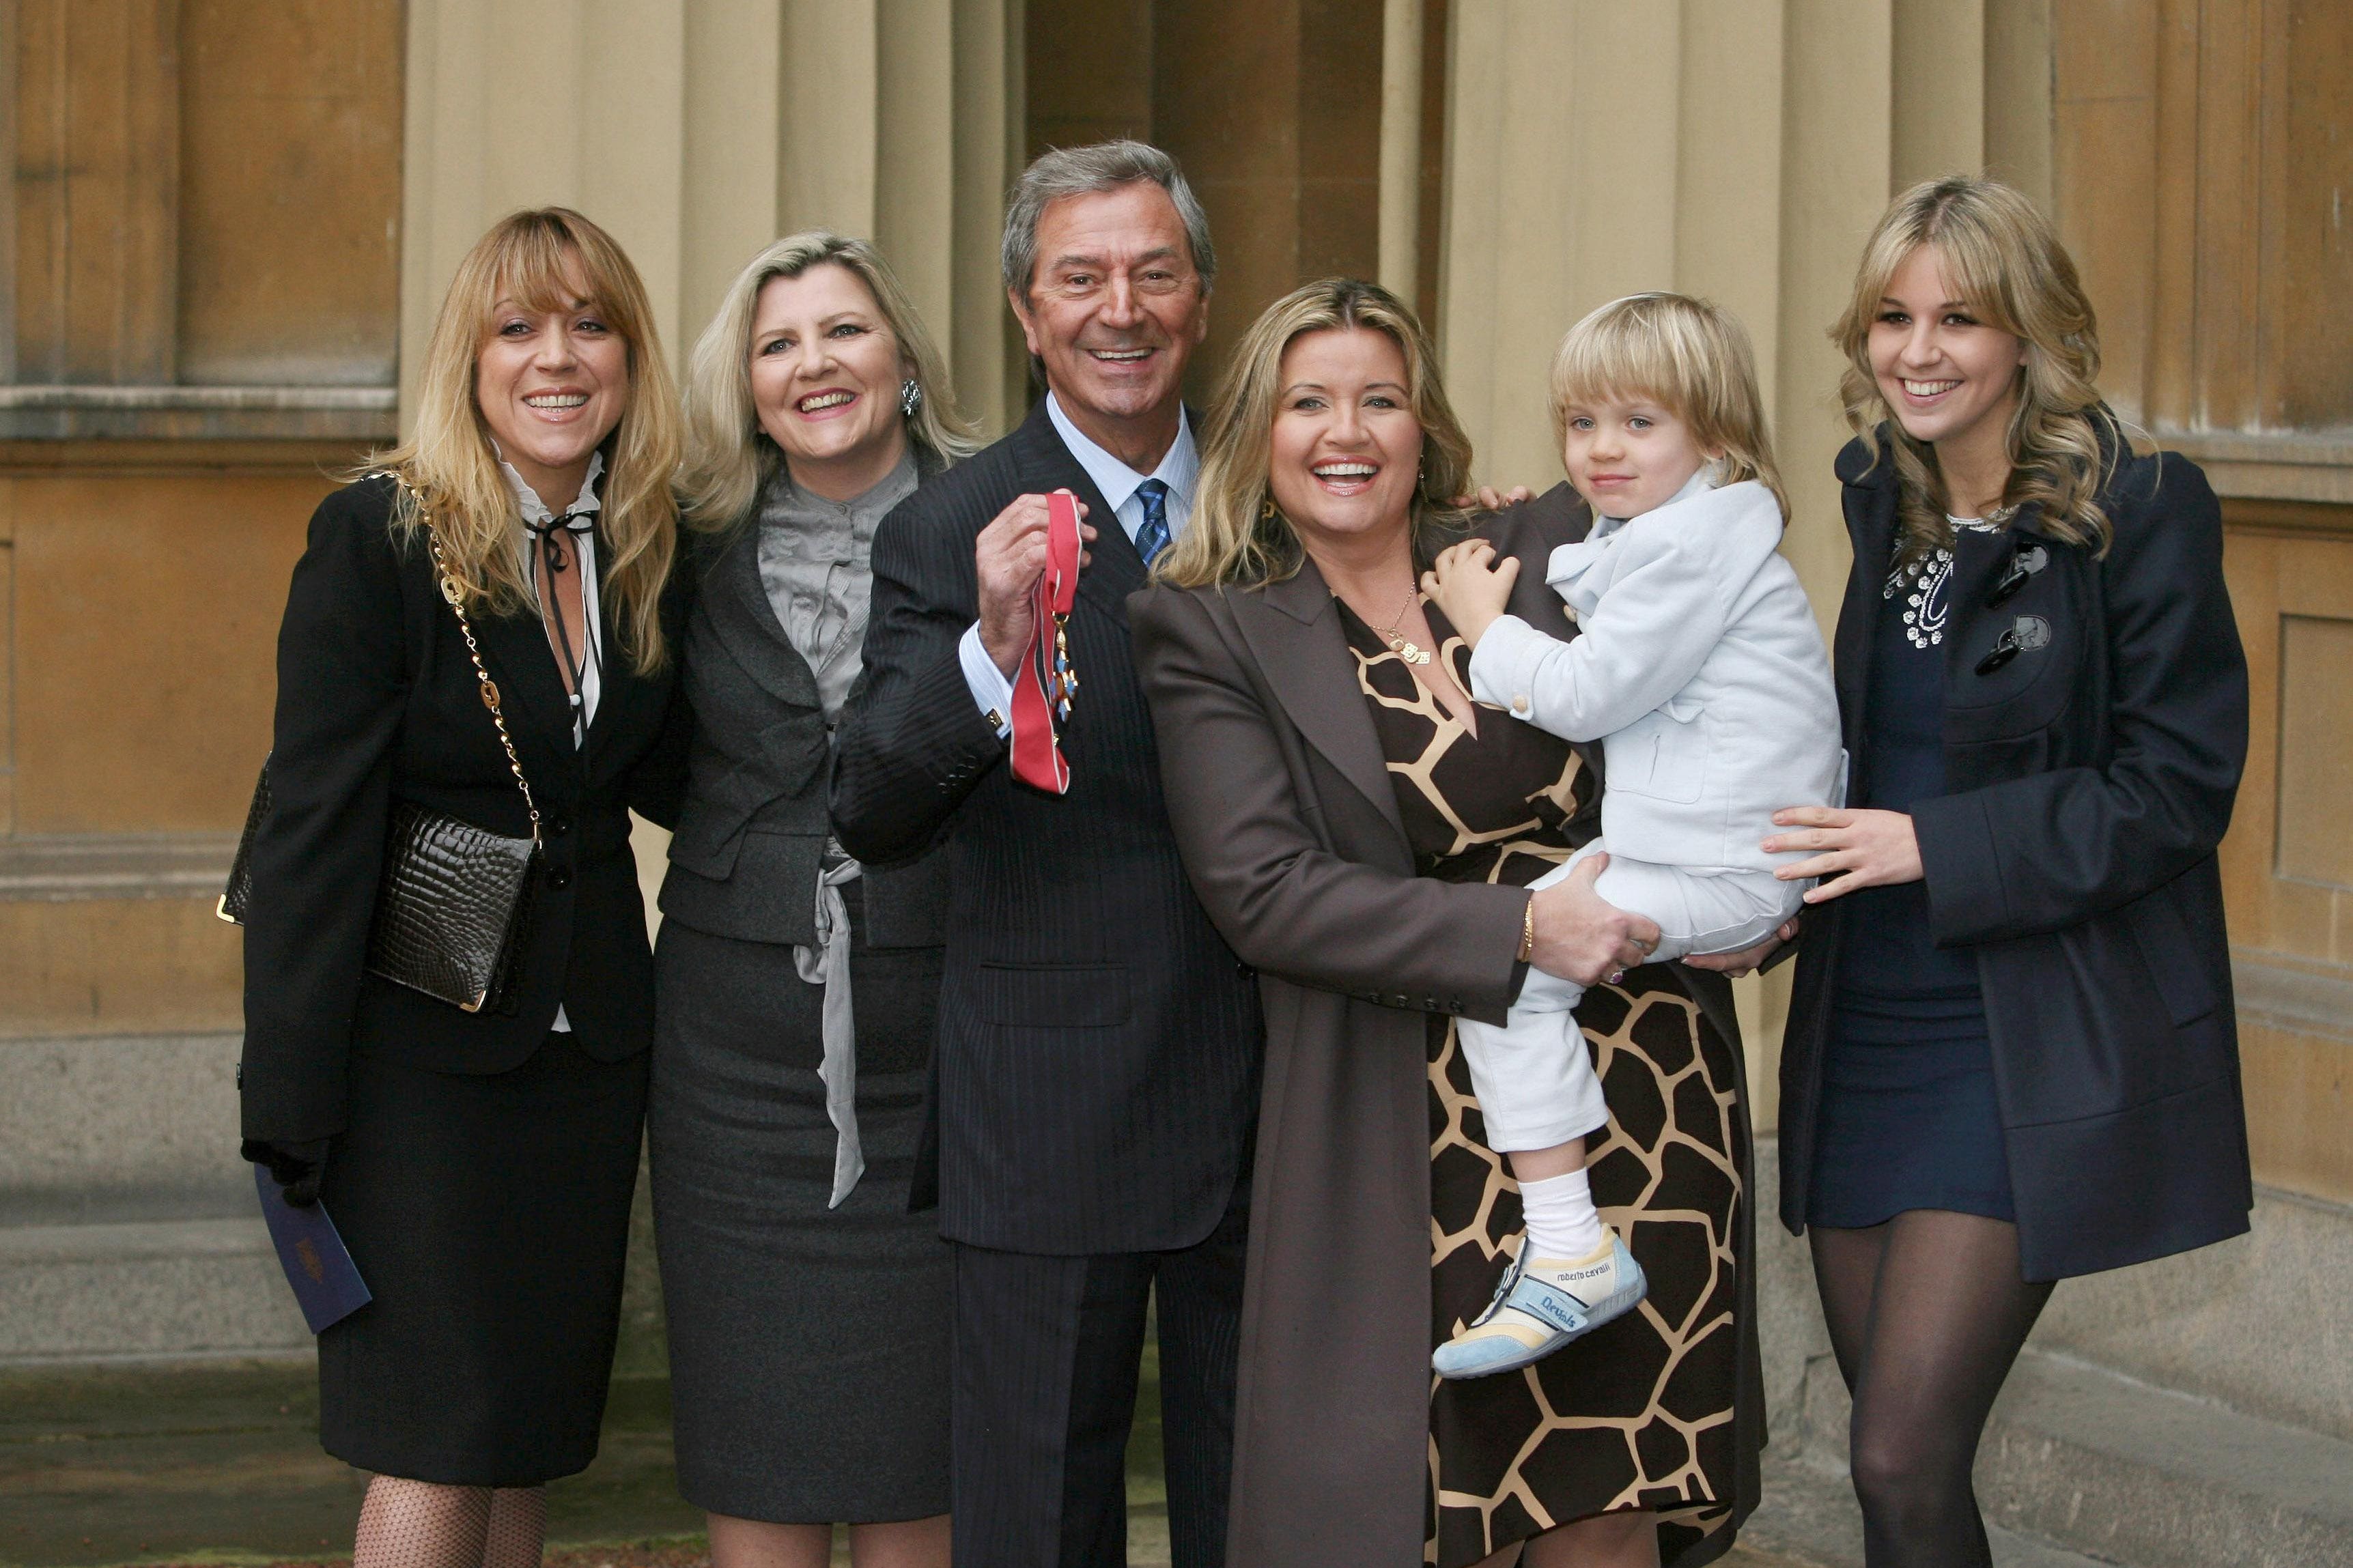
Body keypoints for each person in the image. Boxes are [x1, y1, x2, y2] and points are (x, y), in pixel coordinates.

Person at [1131, 276, 1767, 1568]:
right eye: (1308, 402)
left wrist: (1764, 900)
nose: (1344, 431)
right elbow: (1264, 893)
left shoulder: (1546, 549)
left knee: (1608, 1505)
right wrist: (1519, 932)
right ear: (1259, 428)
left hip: (1643, 1096)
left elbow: (1734, 712)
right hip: (1410, 1126)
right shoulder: (1211, 626)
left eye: (1380, 398)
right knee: (1449, 1508)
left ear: (1427, 425)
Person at [1748, 175, 2249, 1566]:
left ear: (2026, 334)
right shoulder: (1879, 501)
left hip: (2024, 1030)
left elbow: (2173, 790)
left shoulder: (2139, 507)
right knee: (1896, 1468)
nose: (1918, 350)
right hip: (1867, 1020)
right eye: (1893, 318)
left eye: (1959, 317)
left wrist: (1933, 845)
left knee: (1900, 1448)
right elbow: (1851, 750)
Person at [830, 141, 1261, 1568]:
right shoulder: (949, 525)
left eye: (1153, 273)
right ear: (1026, 313)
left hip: (1280, 1107)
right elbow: (873, 805)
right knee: (1030, 1530)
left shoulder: (1281, 508)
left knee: (1264, 1513)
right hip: (1048, 1109)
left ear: (1199, 299)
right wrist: (986, 649)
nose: (1119, 310)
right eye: (1080, 278)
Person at [237, 208, 684, 1567]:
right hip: (411, 1070)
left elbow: (679, 774)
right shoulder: (377, 535)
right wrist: (288, 1098)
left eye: (590, 323)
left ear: (629, 355)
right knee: (437, 1444)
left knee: (525, 1440)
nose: (558, 357)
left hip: (587, 1058)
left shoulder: (652, 541)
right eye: (519, 326)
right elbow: (313, 829)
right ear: (470, 358)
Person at [1419, 293, 1840, 1379]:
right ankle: (1567, 1242)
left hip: (1726, 863)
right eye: (1579, 422)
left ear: (1714, 431)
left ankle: (1568, 1247)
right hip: (1710, 847)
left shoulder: (1689, 549)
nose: (1601, 449)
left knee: (1508, 972)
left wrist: (1478, 624)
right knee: (1509, 963)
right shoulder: (1673, 531)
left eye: (1638, 423)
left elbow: (1588, 689)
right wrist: (1518, 517)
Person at [655, 232, 981, 1568]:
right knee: (760, 1430)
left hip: (950, 1046)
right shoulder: (680, 546)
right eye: (777, 342)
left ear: (902, 355)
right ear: (746, 381)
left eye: (842, 331)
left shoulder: (1005, 519)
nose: (812, 364)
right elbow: (646, 751)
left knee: (924, 1442)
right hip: (734, 1058)